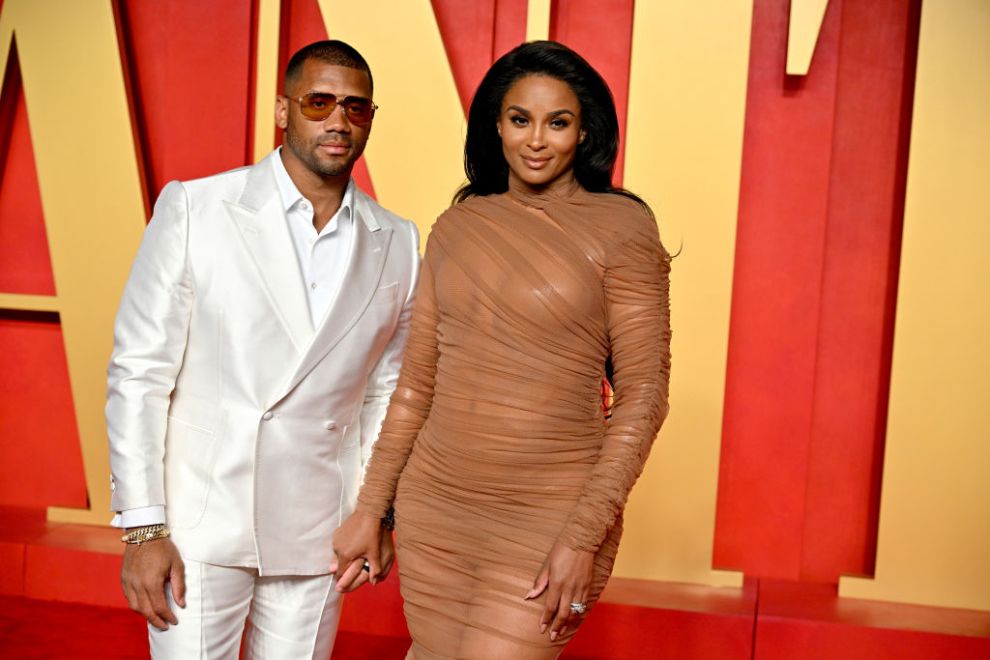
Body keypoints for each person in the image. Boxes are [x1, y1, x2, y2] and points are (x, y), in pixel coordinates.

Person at [332, 40, 671, 658]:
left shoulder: (623, 229)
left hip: (551, 515)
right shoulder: (458, 227)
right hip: (437, 507)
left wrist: (582, 538)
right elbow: (415, 389)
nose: (537, 140)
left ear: (584, 130)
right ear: (495, 124)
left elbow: (644, 398)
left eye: (558, 122)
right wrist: (372, 510)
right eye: (520, 120)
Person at [106, 40, 420, 658]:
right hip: (200, 520)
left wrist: (375, 515)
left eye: (356, 108)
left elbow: (388, 391)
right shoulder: (198, 208)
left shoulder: (400, 241)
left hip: (318, 528)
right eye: (319, 101)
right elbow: (139, 373)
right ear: (283, 110)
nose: (337, 120)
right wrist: (143, 528)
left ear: (371, 120)